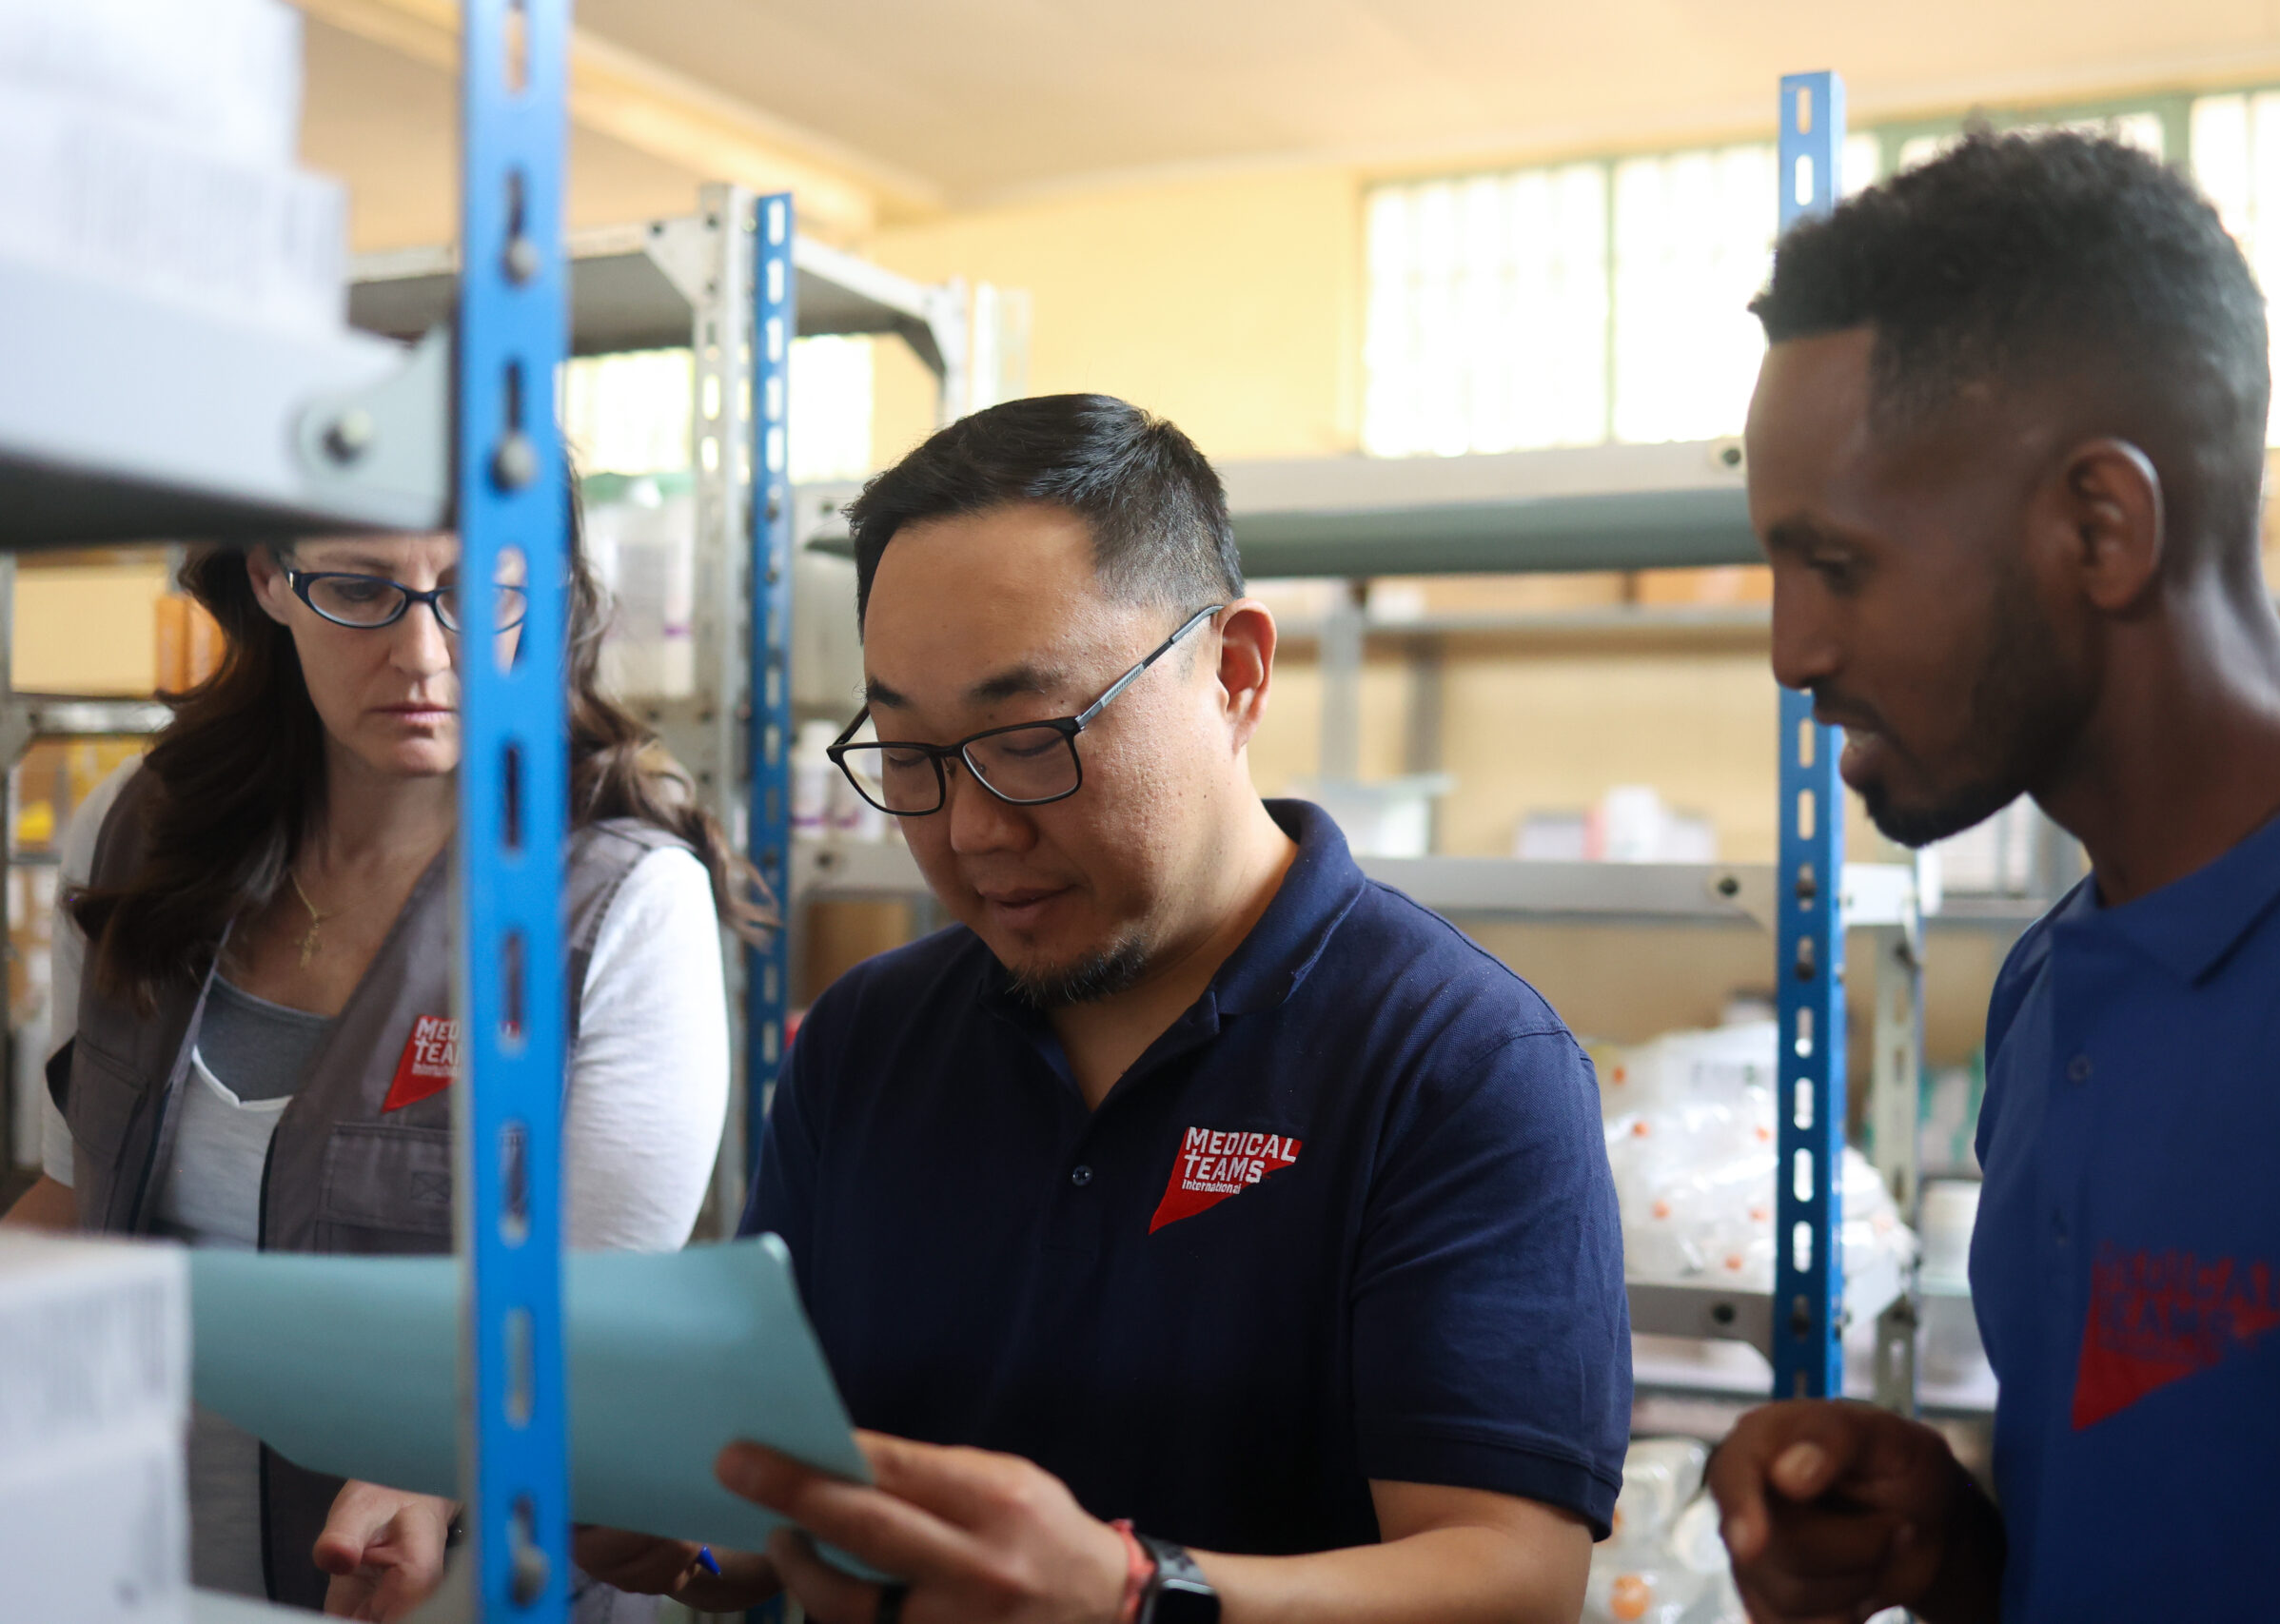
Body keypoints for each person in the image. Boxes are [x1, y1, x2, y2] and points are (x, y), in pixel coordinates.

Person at [593, 393, 1631, 1624]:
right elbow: (806, 1491)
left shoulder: (1455, 1062)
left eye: (1031, 737)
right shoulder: (865, 1041)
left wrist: (1142, 1596)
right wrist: (689, 1530)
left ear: (1236, 673)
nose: (973, 827)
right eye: (912, 757)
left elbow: (1512, 1578)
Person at [1708, 128, 2280, 1622]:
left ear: (2099, 527)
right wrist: (1957, 1547)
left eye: (1835, 564)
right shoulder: (2056, 991)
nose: (1794, 653)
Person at [2, 511, 757, 1617]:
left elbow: (591, 1325)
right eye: (359, 591)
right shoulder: (137, 832)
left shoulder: (621, 903)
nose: (423, 654)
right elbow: (72, 1208)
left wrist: (441, 1468)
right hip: (145, 1566)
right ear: (268, 579)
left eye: (476, 591)